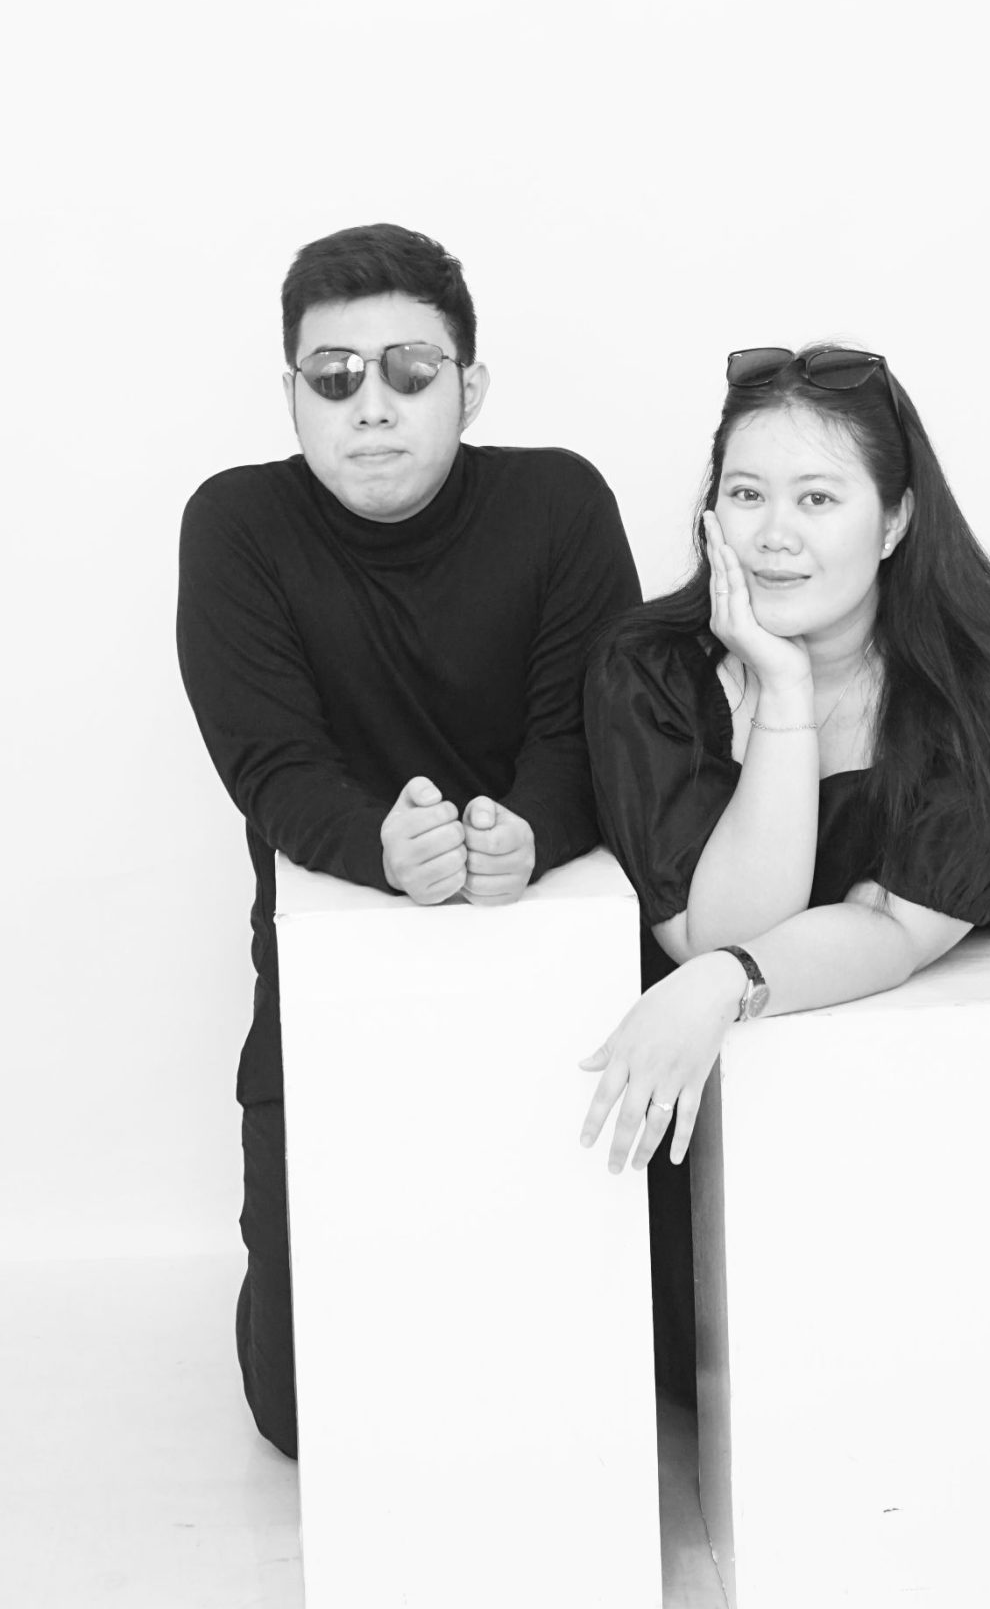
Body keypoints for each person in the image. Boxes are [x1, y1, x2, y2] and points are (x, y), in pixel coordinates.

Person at [578, 343, 990, 1502]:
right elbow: (719, 926)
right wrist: (782, 697)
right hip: (733, 1099)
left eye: (817, 498)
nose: (772, 534)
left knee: (942, 1383)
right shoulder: (650, 668)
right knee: (770, 1400)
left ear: (895, 519)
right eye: (745, 493)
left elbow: (890, 929)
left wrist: (722, 980)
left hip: (932, 1072)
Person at [177, 222, 640, 1457]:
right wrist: (381, 850)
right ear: (291, 392)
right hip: (331, 986)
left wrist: (528, 834)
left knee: (613, 1368)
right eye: (334, 376)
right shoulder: (235, 524)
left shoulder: (559, 502)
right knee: (303, 1415)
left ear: (468, 387)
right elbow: (268, 762)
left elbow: (595, 732)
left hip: (556, 977)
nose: (370, 406)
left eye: (409, 371)